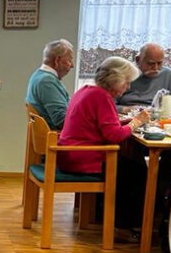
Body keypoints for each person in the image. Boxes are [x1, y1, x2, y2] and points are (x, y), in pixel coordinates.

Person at [57, 57, 151, 229]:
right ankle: (127, 224)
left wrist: (127, 122)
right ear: (116, 80)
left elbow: (100, 125)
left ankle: (109, 217)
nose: (128, 87)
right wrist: (136, 122)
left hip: (70, 154)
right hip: (84, 159)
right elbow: (113, 136)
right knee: (138, 171)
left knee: (130, 166)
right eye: (127, 82)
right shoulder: (102, 97)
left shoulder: (86, 90)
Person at [25, 39, 73, 130]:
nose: (72, 65)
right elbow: (61, 120)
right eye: (69, 60)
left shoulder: (39, 75)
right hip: (56, 138)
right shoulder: (47, 81)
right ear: (57, 60)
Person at [116, 43, 171, 109]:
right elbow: (109, 105)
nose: (156, 68)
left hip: (159, 115)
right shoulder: (124, 74)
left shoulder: (169, 75)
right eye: (151, 63)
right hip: (128, 114)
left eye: (159, 63)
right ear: (138, 60)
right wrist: (125, 109)